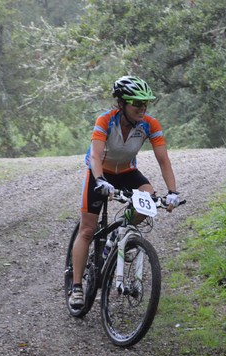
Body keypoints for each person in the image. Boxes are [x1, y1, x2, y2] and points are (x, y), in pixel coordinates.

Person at [69, 75, 180, 310]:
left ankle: (115, 238)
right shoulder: (105, 120)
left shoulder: (150, 124)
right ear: (121, 103)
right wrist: (100, 180)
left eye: (145, 104)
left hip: (128, 172)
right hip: (100, 173)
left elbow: (163, 160)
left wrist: (172, 192)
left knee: (148, 199)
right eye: (136, 103)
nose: (142, 108)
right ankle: (77, 287)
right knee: (87, 230)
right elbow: (96, 156)